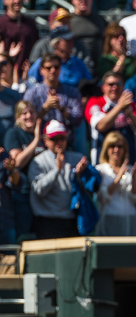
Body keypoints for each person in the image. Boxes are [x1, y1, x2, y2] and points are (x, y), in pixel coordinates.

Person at [29, 120, 92, 239]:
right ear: (45, 140)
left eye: (62, 138)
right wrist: (57, 170)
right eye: (54, 139)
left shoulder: (77, 158)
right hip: (48, 222)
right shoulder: (38, 162)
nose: (59, 143)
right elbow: (39, 190)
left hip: (73, 221)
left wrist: (81, 175)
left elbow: (91, 190)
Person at [5, 101, 45, 238]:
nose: (29, 116)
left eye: (32, 112)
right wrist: (36, 140)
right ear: (18, 118)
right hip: (22, 192)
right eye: (24, 113)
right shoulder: (13, 133)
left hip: (42, 192)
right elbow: (17, 163)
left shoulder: (43, 134)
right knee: (24, 234)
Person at [95, 132, 136, 236]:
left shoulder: (130, 170)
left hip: (129, 219)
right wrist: (118, 177)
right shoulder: (100, 170)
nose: (116, 150)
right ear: (106, 149)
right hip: (109, 218)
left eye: (120, 146)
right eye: (112, 146)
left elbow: (135, 198)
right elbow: (103, 197)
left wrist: (134, 177)